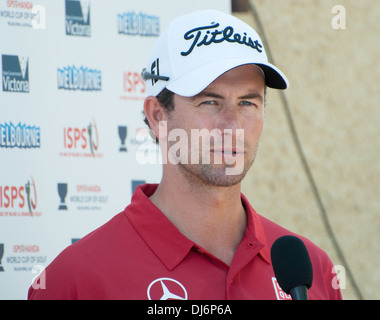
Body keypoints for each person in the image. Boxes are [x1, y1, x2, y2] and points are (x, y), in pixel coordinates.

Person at [28, 9, 342, 300]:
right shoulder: (75, 280)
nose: (232, 125)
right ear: (158, 116)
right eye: (209, 102)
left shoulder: (314, 271)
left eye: (248, 103)